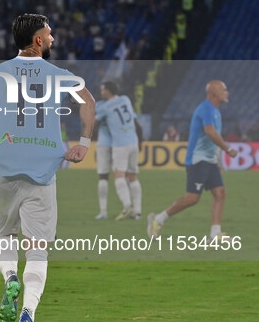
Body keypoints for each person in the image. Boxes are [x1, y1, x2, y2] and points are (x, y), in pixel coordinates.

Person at [0, 14, 95, 322]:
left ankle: (9, 277)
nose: (52, 39)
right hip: (42, 169)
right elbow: (88, 102)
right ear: (37, 41)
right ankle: (28, 314)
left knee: (5, 235)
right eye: (48, 35)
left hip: (1, 165)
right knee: (37, 250)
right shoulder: (59, 76)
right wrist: (84, 143)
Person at [148, 81, 237, 240]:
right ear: (214, 93)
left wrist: (216, 159)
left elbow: (211, 138)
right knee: (192, 198)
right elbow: (210, 132)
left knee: (220, 193)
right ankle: (158, 219)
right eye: (224, 89)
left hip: (208, 160)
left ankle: (215, 233)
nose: (227, 92)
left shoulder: (215, 110)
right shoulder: (206, 109)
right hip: (198, 160)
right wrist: (228, 149)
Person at [95, 82, 143, 220]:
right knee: (133, 176)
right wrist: (141, 142)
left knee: (118, 176)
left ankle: (127, 205)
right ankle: (138, 212)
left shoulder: (104, 107)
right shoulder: (125, 99)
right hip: (133, 141)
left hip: (119, 144)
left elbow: (93, 123)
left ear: (107, 91)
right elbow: (137, 124)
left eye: (103, 89)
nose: (101, 91)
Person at [94, 99, 112, 220]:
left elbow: (92, 122)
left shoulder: (99, 106)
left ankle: (103, 211)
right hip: (120, 142)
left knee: (103, 176)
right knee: (124, 176)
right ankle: (133, 210)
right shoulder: (121, 102)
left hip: (104, 143)